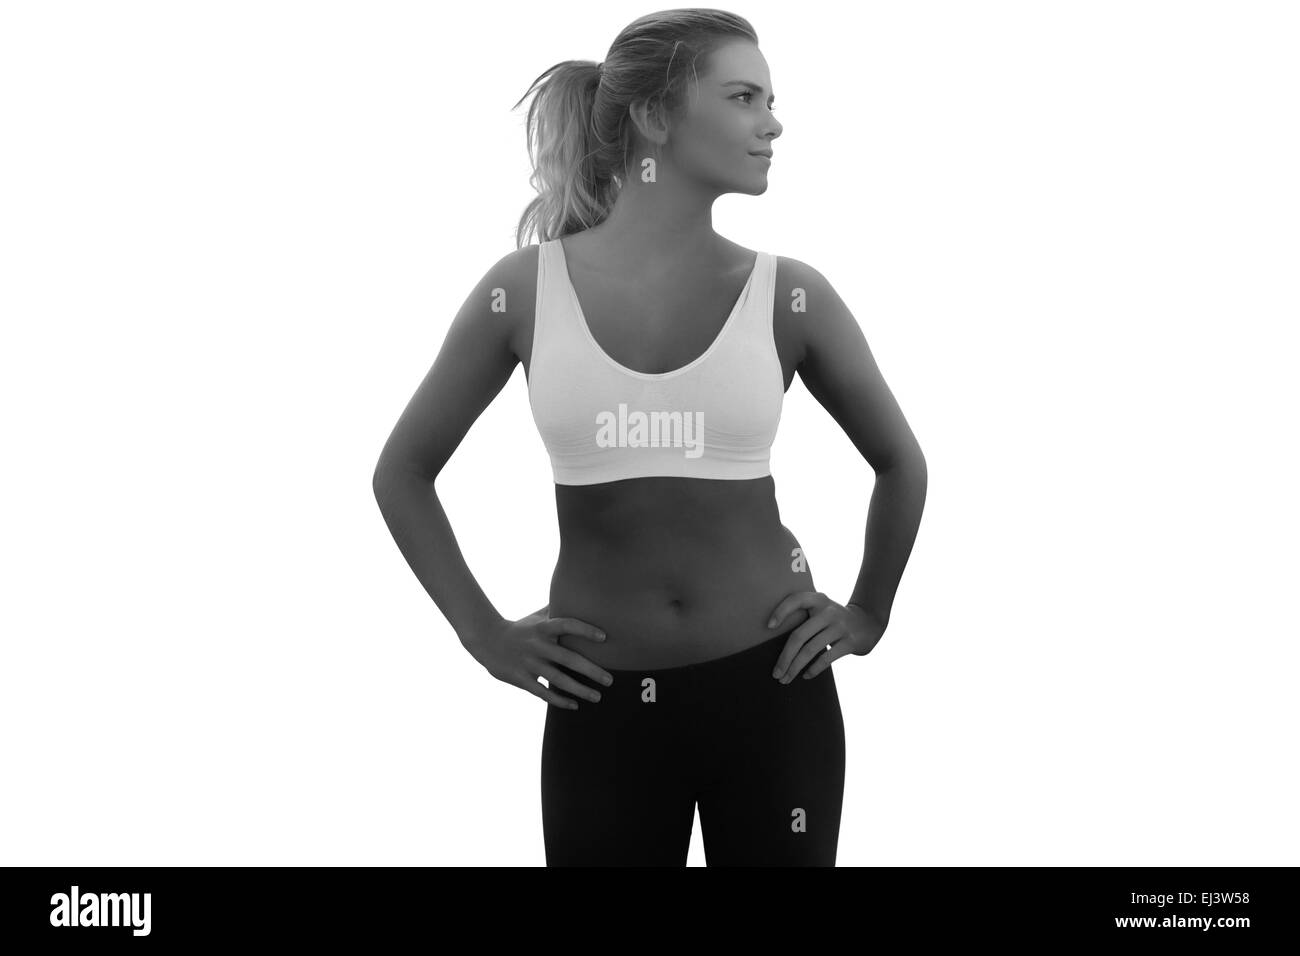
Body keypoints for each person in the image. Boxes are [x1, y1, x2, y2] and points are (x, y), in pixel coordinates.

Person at [372, 9, 927, 866]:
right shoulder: (523, 292)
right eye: (743, 96)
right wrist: (482, 634)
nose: (772, 121)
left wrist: (869, 613)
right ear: (656, 118)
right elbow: (402, 471)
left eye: (771, 99)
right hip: (602, 707)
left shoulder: (790, 295)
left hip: (773, 690)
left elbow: (901, 464)